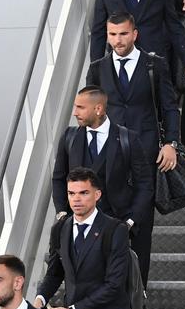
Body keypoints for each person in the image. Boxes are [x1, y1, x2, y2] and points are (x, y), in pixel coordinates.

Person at [86, 12, 180, 286]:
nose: (118, 40)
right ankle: (107, 287)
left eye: (123, 34)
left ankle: (138, 291)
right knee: (103, 224)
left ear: (135, 34)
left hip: (145, 155)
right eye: (113, 34)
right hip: (106, 157)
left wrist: (170, 143)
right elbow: (90, 113)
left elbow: (170, 107)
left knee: (140, 225)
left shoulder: (155, 65)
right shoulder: (97, 68)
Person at [34, 167, 135, 309]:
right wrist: (40, 299)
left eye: (83, 193)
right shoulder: (59, 229)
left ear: (97, 195)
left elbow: (114, 285)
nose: (76, 199)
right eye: (71, 193)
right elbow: (54, 273)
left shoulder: (116, 230)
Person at [51, 87, 153, 245]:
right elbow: (58, 178)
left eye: (80, 107)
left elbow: (145, 184)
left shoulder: (128, 139)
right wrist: (62, 215)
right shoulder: (69, 137)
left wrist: (130, 221)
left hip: (116, 226)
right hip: (78, 227)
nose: (75, 113)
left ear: (98, 109)